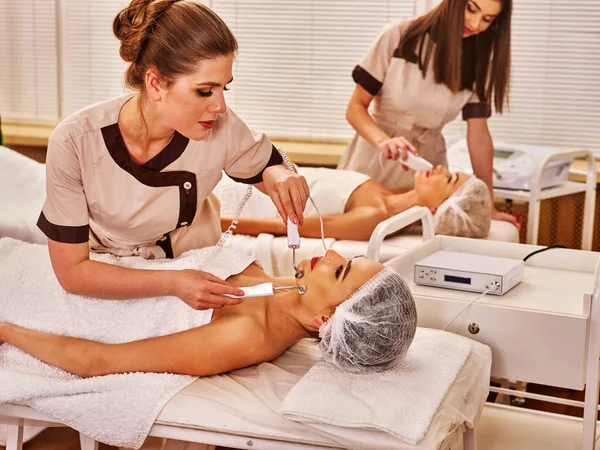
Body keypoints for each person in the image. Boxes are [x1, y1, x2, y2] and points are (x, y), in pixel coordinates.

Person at [35, 0, 309, 310]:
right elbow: (72, 273)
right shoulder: (74, 142)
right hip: (111, 270)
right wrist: (175, 282)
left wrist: (279, 174)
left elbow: (266, 165)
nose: (219, 105)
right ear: (155, 84)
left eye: (224, 89)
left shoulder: (221, 125)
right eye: (205, 90)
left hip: (198, 259)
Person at [0, 248, 417, 377]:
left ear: (323, 321)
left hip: (43, 299)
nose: (330, 252)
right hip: (64, 266)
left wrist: (6, 331)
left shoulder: (245, 335)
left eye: (339, 270)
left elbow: (99, 362)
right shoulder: (274, 283)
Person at [337, 0, 518, 228]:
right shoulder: (401, 36)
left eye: (488, 19)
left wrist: (488, 203)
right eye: (471, 8)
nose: (475, 23)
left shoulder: (481, 61)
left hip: (428, 175)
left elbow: (479, 136)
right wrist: (384, 142)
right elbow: (355, 108)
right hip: (374, 158)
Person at [216, 165, 491, 241]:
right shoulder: (387, 193)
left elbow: (286, 227)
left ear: (438, 209)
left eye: (449, 178)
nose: (441, 168)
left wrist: (217, 224)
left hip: (235, 202)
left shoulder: (374, 218)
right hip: (249, 182)